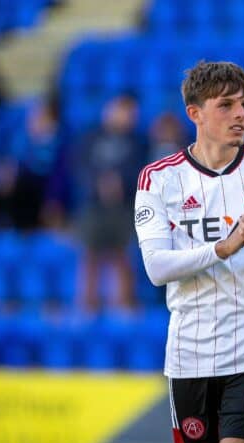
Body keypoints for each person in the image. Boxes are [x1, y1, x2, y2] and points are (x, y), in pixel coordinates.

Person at [134, 61, 244, 443]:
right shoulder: (159, 179)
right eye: (226, 105)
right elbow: (156, 268)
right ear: (194, 113)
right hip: (190, 355)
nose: (240, 114)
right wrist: (224, 246)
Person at [72, 93, 146, 312]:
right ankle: (87, 308)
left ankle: (122, 308)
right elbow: (80, 167)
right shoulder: (91, 137)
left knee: (122, 258)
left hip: (124, 208)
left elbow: (142, 170)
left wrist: (120, 182)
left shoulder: (138, 142)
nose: (125, 117)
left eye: (129, 113)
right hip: (94, 207)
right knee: (90, 259)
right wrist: (99, 183)